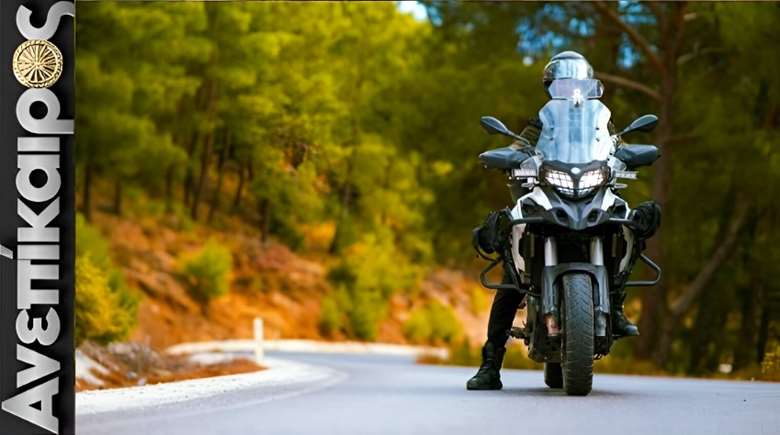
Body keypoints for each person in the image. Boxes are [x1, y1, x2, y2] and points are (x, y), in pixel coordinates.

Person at [467, 51, 654, 391]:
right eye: (563, 83)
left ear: (587, 85)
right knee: (511, 276)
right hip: (550, 194)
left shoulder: (600, 121)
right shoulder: (542, 123)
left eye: (575, 82)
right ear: (551, 86)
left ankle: (616, 302)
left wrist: (628, 155)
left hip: (592, 193)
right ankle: (490, 364)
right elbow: (519, 147)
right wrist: (511, 157)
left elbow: (616, 146)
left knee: (631, 223)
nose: (570, 88)